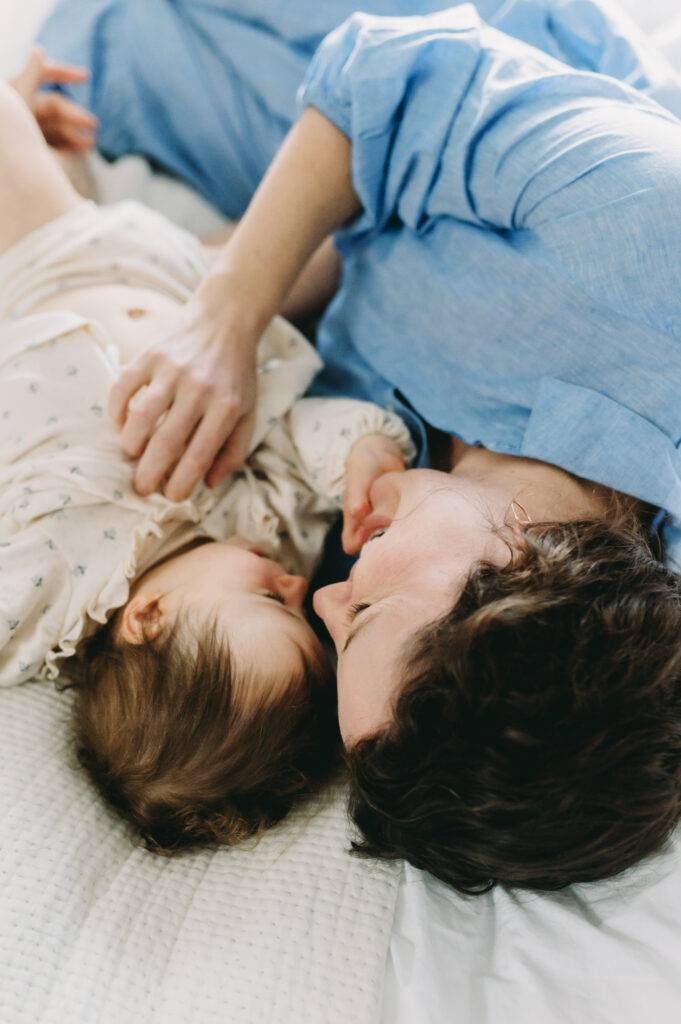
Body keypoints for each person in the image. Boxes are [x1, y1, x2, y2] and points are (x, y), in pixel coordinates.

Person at [37, 1, 681, 890]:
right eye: (365, 617)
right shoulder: (650, 258)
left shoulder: (381, 558)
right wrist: (227, 312)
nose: (325, 604)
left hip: (332, 224)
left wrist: (88, 228)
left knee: (87, 61)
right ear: (525, 565)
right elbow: (386, 73)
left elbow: (309, 294)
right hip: (442, 63)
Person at [0, 69, 415, 853]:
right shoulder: (271, 529)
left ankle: (42, 133)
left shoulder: (42, 596)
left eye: (269, 603)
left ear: (148, 619)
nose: (299, 586)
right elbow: (303, 439)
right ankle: (71, 153)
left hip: (54, 261)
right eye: (299, 614)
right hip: (212, 288)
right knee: (346, 252)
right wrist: (365, 452)